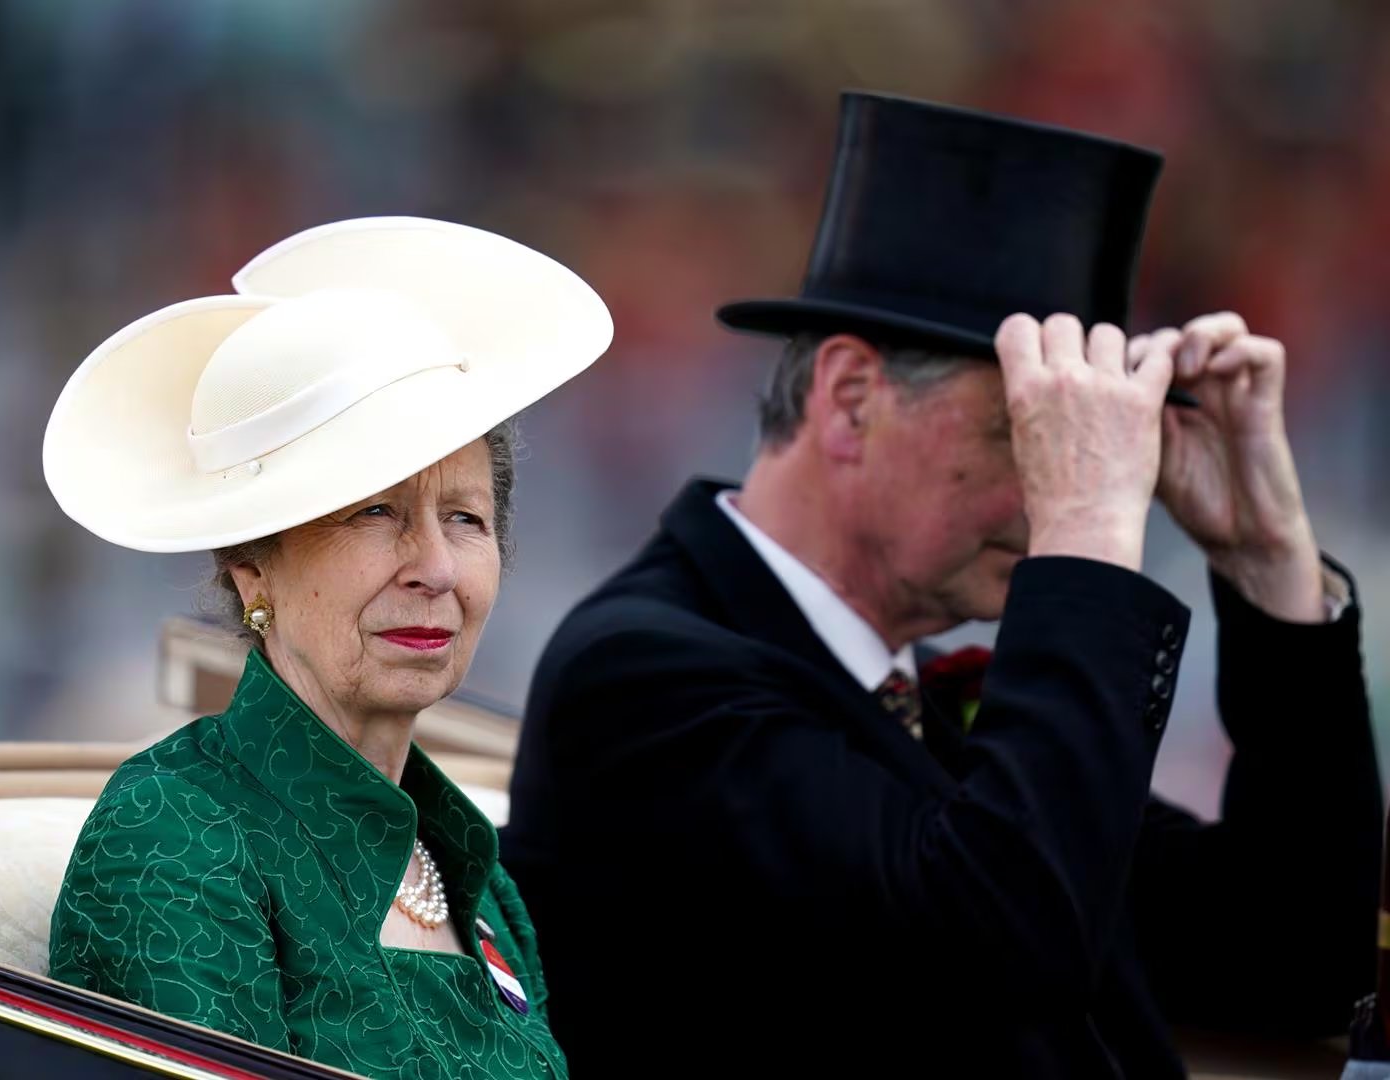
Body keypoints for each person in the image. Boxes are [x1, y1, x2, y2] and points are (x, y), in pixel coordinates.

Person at [503, 93, 1381, 1077]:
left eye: (1079, 447)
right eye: (1031, 434)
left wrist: (1267, 568)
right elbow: (1005, 945)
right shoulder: (646, 675)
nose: (1060, 487)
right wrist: (1088, 536)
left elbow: (1292, 965)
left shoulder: (934, 696)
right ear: (849, 401)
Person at [43, 216, 612, 1079]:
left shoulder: (474, 871)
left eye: (465, 517)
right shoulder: (176, 833)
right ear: (250, 567)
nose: (434, 567)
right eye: (373, 512)